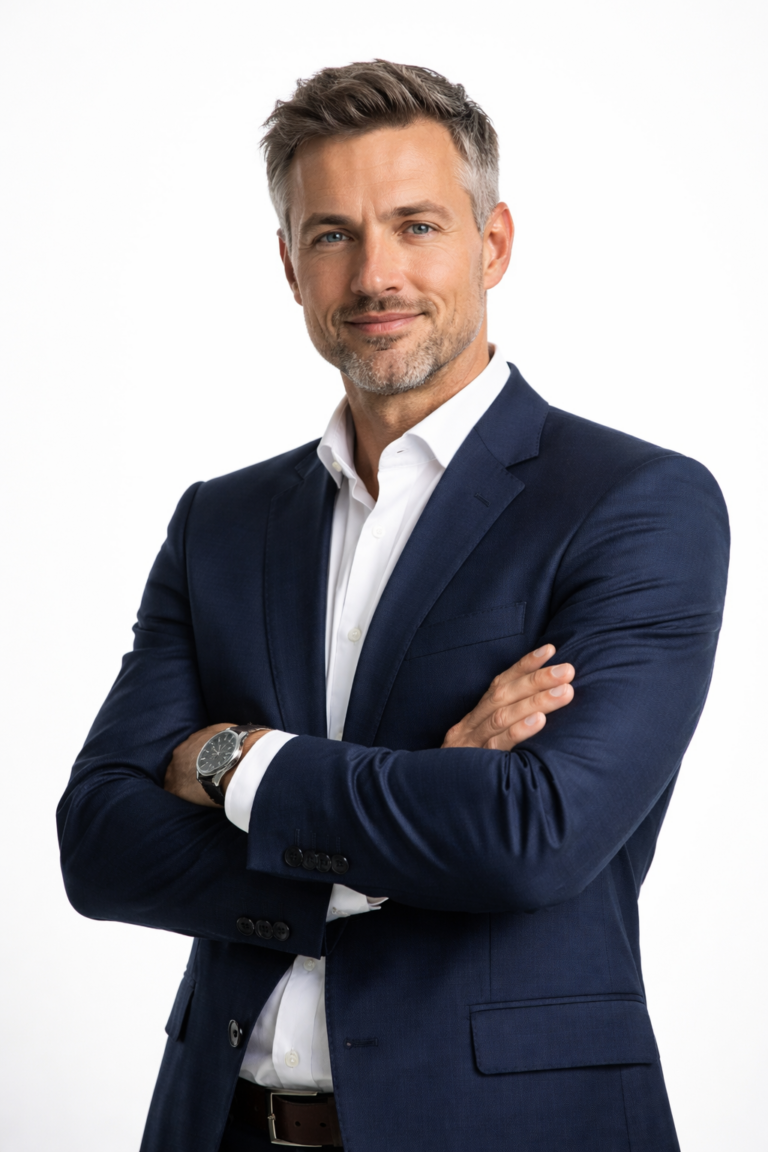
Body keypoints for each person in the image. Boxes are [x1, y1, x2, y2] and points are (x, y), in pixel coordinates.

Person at [57, 60, 729, 1152]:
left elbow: (532, 836)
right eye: (332, 235)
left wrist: (233, 764)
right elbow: (100, 843)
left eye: (416, 225)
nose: (375, 273)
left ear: (493, 242)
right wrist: (411, 817)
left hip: (511, 1127)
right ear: (289, 264)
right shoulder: (218, 524)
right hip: (219, 1123)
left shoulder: (634, 504)